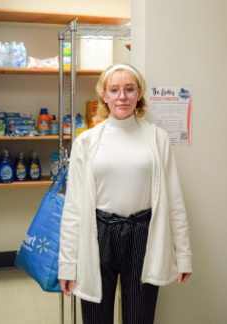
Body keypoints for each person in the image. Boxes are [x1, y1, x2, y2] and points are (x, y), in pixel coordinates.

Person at [58, 64, 193, 324]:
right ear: (104, 95)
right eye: (115, 90)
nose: (122, 96)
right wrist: (67, 264)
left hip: (143, 234)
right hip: (98, 236)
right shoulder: (85, 143)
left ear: (139, 93)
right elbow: (73, 207)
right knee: (96, 316)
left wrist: (183, 255)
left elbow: (174, 200)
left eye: (129, 89)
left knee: (139, 317)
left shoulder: (157, 138)